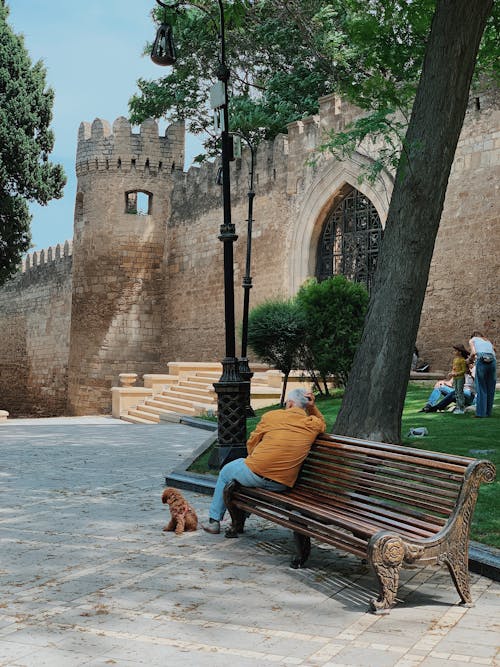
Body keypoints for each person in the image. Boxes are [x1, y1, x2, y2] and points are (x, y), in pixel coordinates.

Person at [202, 387, 326, 534]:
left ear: (290, 404)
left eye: (287, 403)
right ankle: (240, 517)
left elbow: (252, 442)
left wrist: (255, 459)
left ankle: (214, 522)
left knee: (225, 472)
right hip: (282, 484)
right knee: (242, 476)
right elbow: (322, 424)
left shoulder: (271, 416)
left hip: (255, 474)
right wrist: (312, 408)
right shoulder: (312, 424)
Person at [468, 331, 497, 417]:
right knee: (490, 388)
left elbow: (473, 353)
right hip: (492, 360)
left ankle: (480, 413)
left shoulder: (472, 340)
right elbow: (495, 350)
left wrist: (470, 360)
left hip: (482, 359)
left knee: (481, 387)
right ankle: (488, 412)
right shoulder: (487, 341)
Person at [450, 344, 468, 414]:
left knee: (460, 392)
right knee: (456, 392)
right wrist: (452, 373)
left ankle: (462, 408)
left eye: (455, 351)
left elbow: (464, 370)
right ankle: (458, 407)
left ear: (460, 352)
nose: (454, 352)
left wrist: (456, 374)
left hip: (460, 378)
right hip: (455, 378)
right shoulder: (455, 359)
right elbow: (454, 368)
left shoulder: (462, 360)